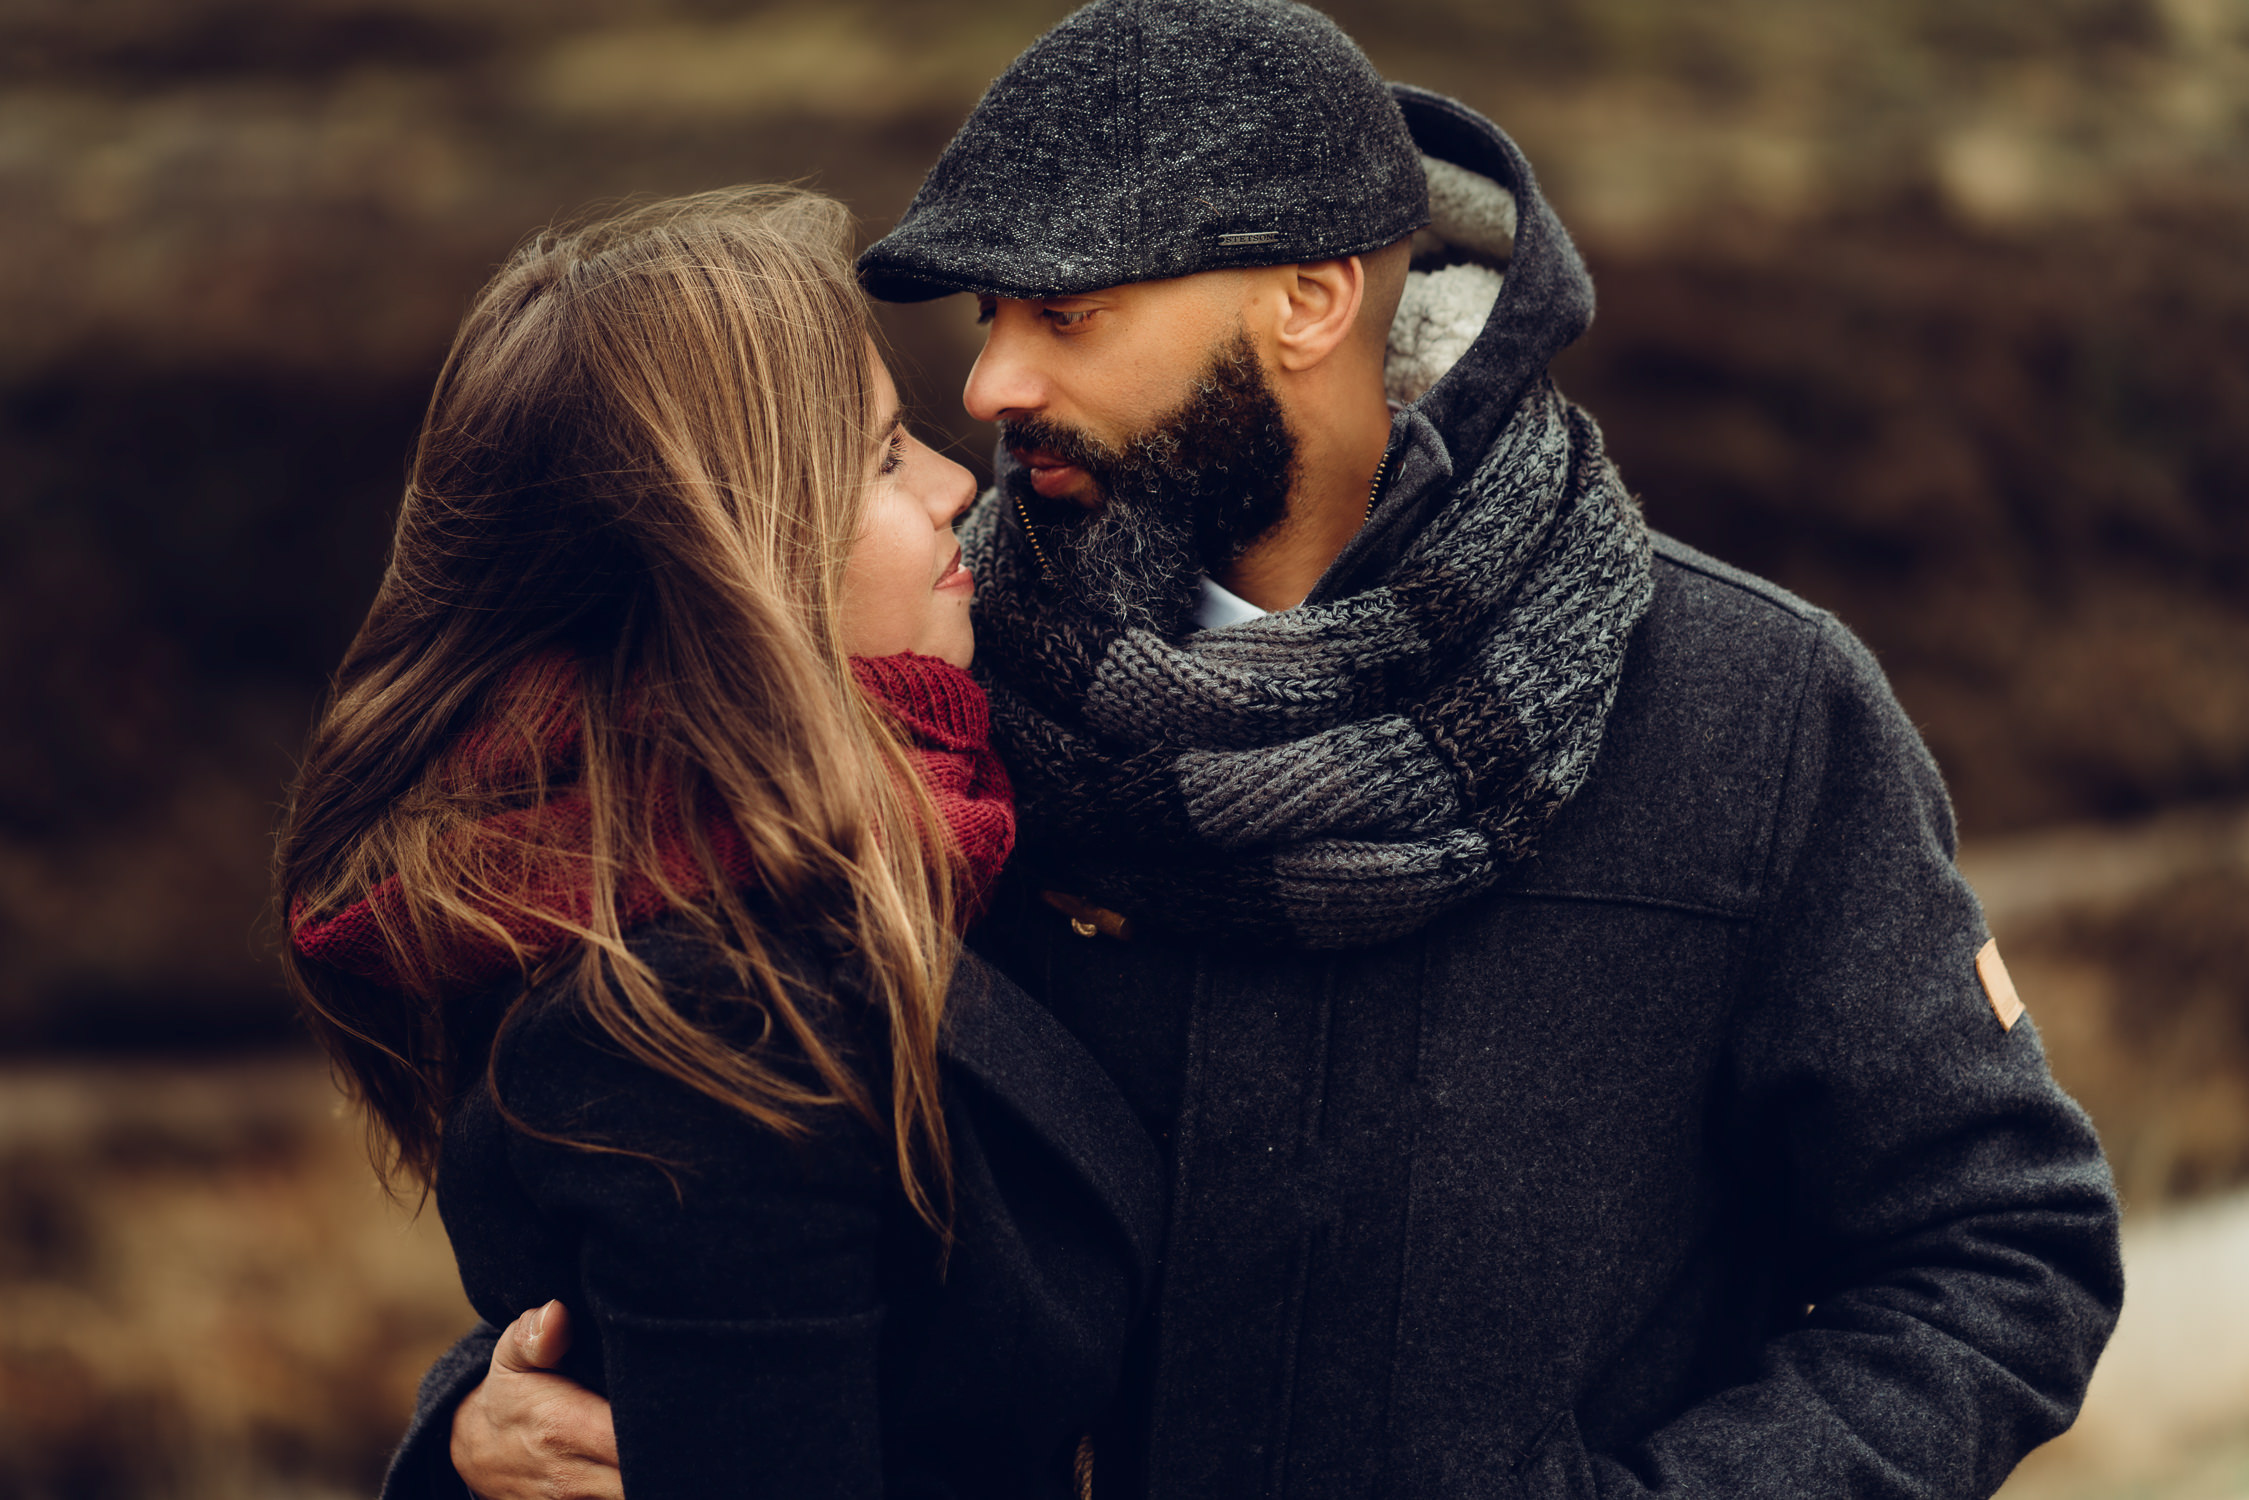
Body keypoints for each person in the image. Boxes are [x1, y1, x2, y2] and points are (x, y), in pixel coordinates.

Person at [425, 3, 2126, 1497]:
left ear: (1308, 300)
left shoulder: (1747, 710)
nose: (995, 387)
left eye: (1067, 316)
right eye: (985, 320)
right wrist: (468, 1436)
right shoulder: (911, 690)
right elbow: (669, 1193)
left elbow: (1999, 1249)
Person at [274, 186, 1161, 1499]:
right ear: (728, 559)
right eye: (874, 460)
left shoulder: (919, 820)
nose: (955, 478)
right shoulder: (707, 1023)